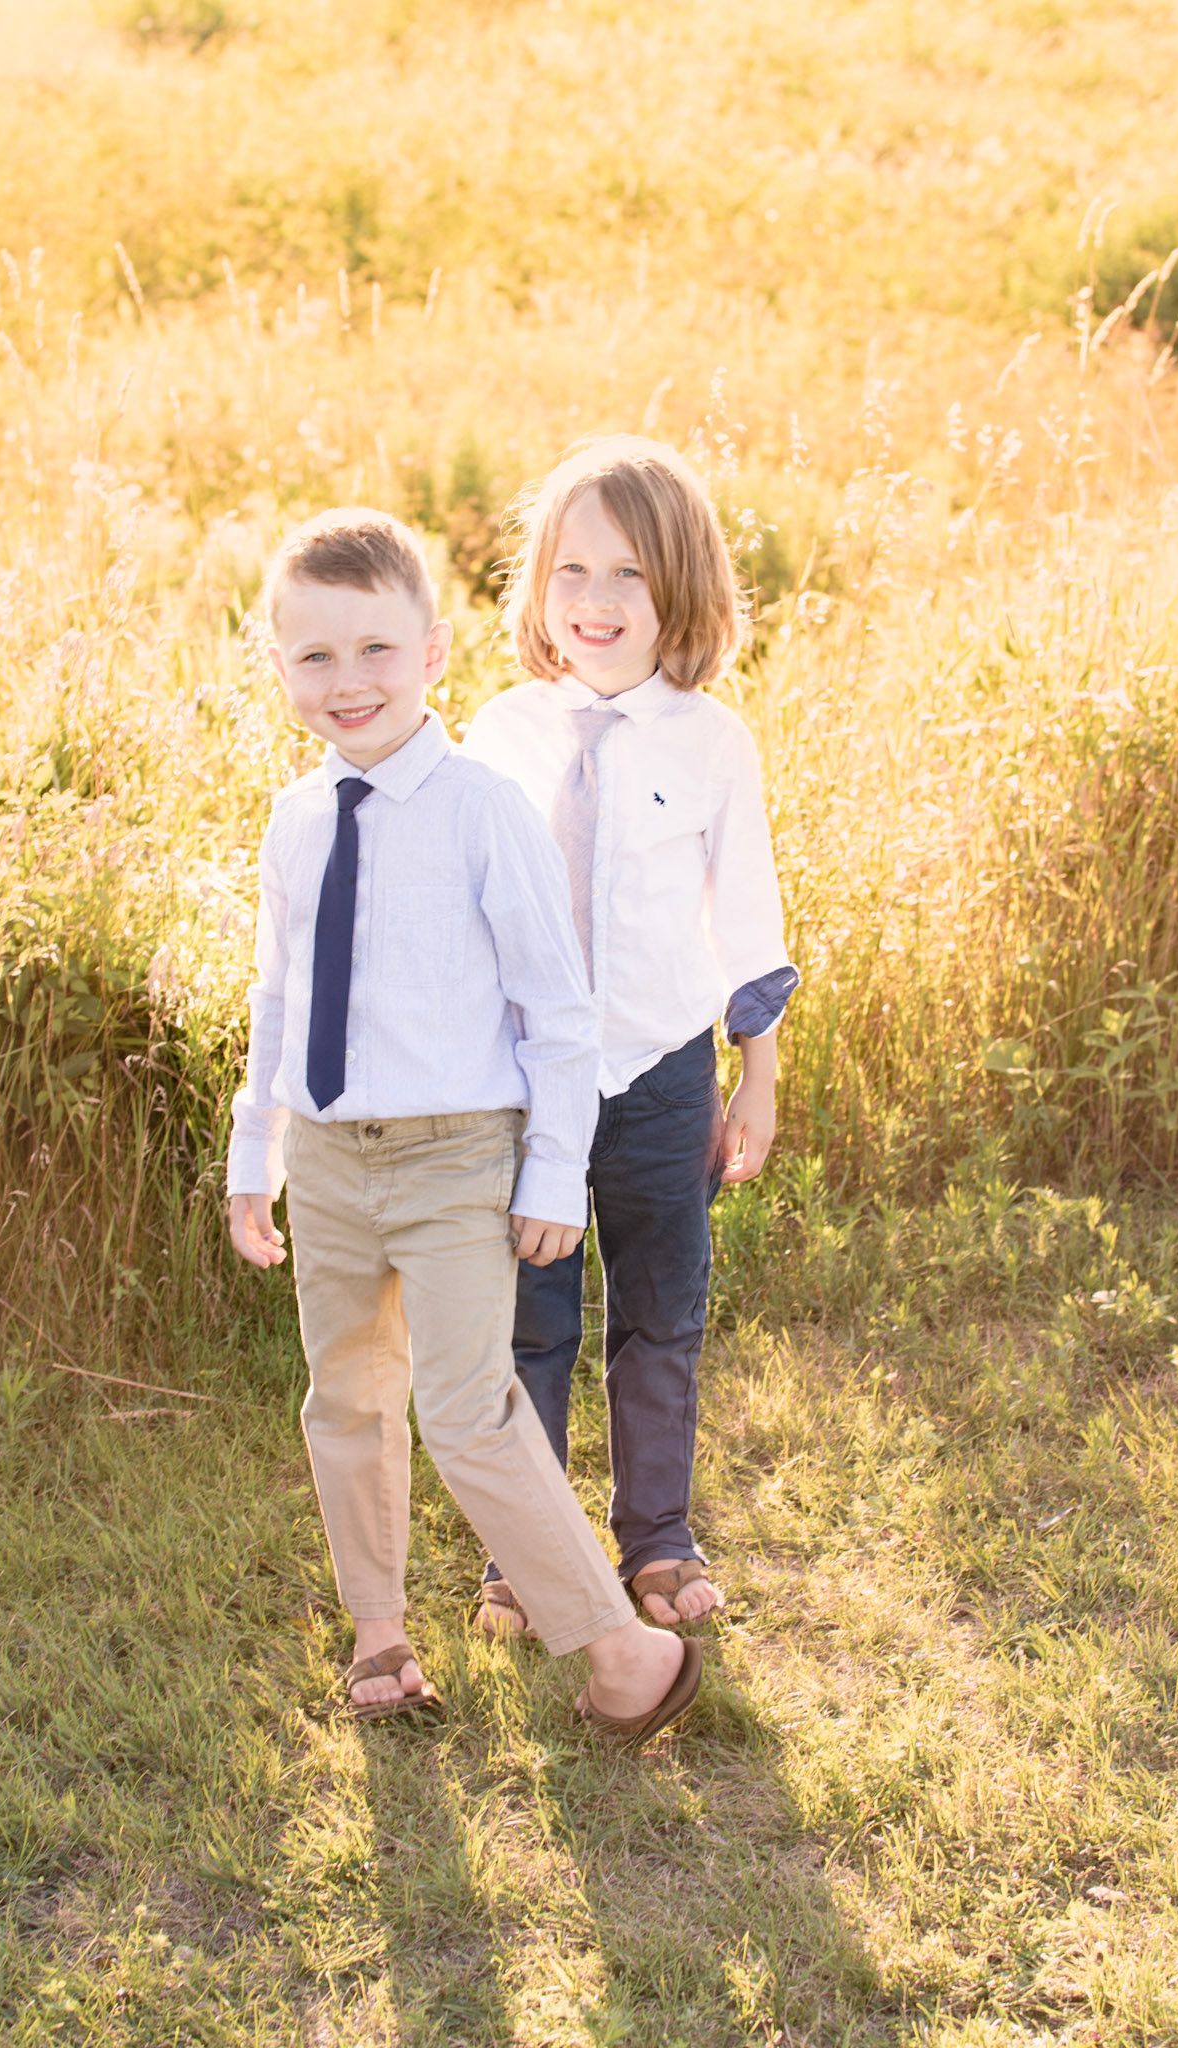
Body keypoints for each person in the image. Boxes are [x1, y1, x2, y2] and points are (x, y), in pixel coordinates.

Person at [225, 504, 702, 1740]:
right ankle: (379, 1633)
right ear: (279, 666)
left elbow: (558, 1008)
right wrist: (254, 1153)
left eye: (376, 649)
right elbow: (278, 997)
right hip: (329, 1156)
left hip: (456, 1155)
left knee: (466, 1405)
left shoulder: (483, 807)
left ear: (433, 651)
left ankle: (622, 1646)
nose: (348, 681)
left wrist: (551, 1171)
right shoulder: (296, 820)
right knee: (345, 1396)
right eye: (316, 655)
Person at [463, 437, 798, 1636]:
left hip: (661, 1072)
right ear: (538, 585)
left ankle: (656, 1534)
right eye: (573, 569)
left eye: (630, 575)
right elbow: (463, 910)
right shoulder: (502, 733)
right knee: (531, 1321)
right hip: (527, 1082)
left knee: (661, 1309)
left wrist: (756, 1073)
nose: (596, 600)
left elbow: (745, 910)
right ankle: (529, 1551)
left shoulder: (710, 742)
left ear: (681, 592)